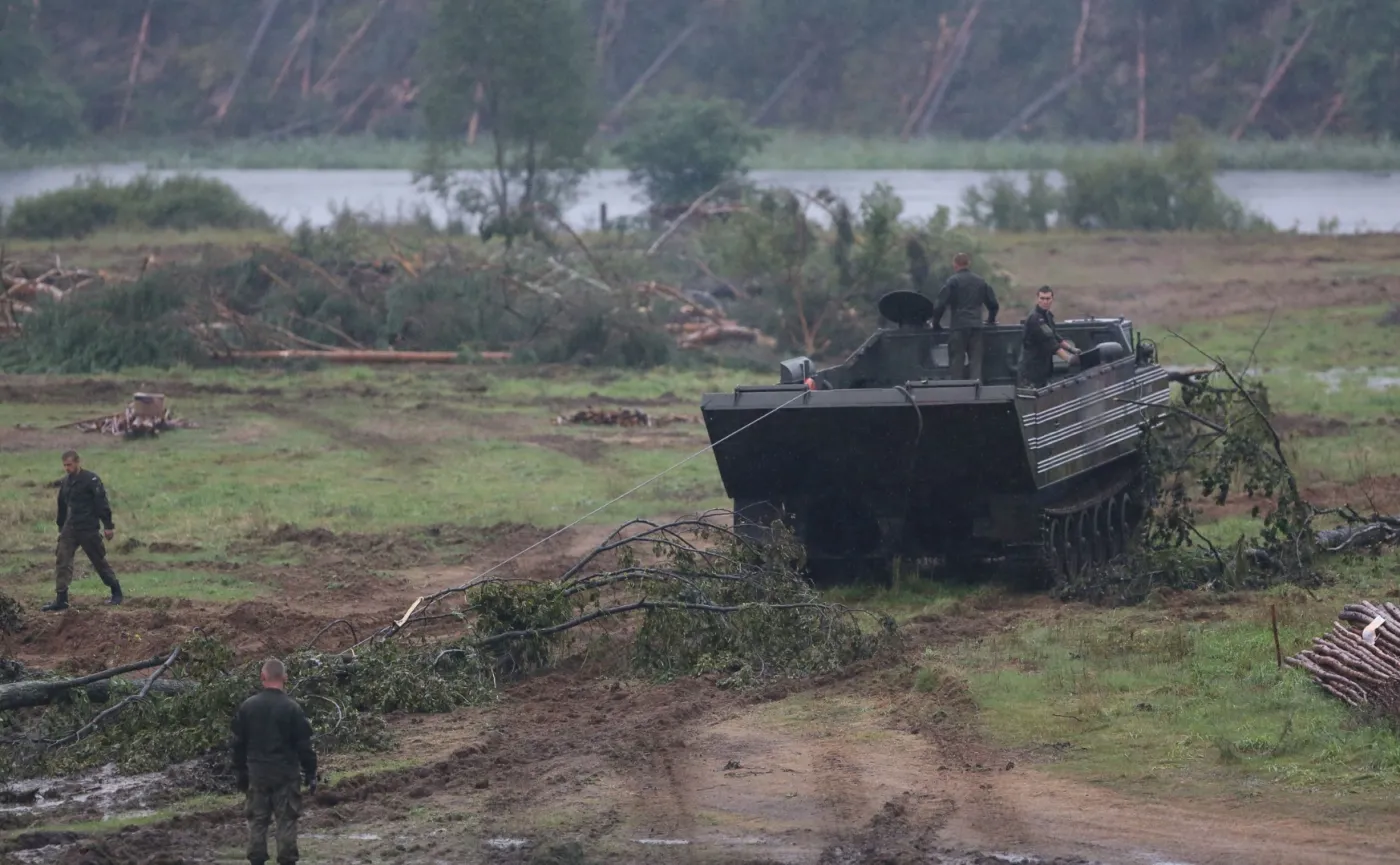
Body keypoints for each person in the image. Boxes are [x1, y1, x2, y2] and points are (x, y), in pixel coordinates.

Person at [232, 658, 318, 865]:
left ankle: (257, 861)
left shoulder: (247, 707)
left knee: (257, 822)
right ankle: (287, 861)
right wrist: (311, 773)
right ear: (285, 678)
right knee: (287, 820)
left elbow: (237, 745)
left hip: (257, 774)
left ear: (262, 677)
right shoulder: (292, 709)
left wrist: (241, 774)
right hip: (286, 775)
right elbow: (304, 746)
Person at [44, 450, 122, 612]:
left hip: (88, 527)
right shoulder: (66, 482)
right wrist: (61, 526)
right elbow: (62, 505)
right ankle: (61, 599)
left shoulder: (91, 480)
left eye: (70, 465)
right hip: (70, 528)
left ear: (78, 462)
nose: (67, 468)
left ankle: (116, 591)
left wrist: (108, 526)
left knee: (98, 561)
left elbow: (101, 502)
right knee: (62, 560)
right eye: (65, 465)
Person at [931, 252, 999, 381]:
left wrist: (936, 323)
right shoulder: (980, 281)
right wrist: (990, 320)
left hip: (958, 326)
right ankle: (976, 390)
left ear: (955, 265)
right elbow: (993, 304)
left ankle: (957, 391)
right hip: (976, 327)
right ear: (968, 264)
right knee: (976, 362)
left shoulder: (953, 281)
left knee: (957, 360)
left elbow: (940, 304)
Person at [1018, 286, 1078, 389]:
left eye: (1048, 299)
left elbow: (1055, 336)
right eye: (1042, 298)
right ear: (1037, 299)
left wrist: (1072, 349)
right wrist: (1069, 359)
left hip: (1043, 368)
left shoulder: (1047, 316)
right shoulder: (1035, 318)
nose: (1045, 302)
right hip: (1032, 371)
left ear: (1052, 299)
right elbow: (1051, 343)